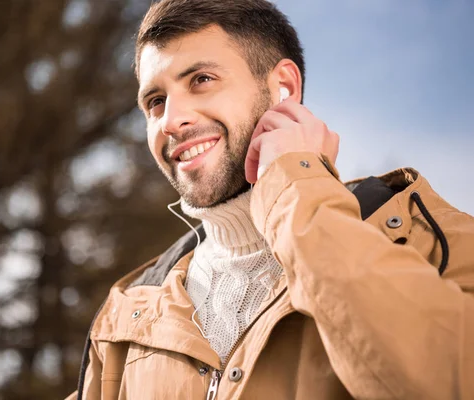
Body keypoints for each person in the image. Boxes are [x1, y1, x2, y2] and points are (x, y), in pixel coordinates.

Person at [68, 1, 474, 399]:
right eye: (155, 101)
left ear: (284, 88)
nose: (171, 121)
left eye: (202, 80)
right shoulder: (124, 318)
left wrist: (295, 187)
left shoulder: (436, 240)